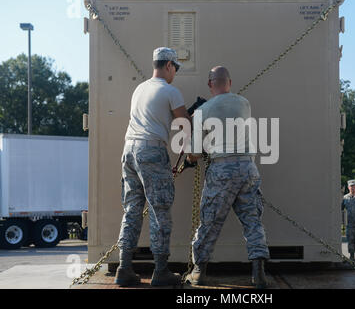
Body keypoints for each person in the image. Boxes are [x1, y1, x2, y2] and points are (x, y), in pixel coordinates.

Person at [184, 66, 270, 288]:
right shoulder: (244, 103)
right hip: (248, 167)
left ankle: (199, 271)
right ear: (229, 83)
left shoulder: (203, 110)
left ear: (210, 84)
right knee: (253, 221)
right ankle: (258, 273)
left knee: (210, 221)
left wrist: (190, 156)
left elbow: (194, 153)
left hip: (222, 169)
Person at [115, 47, 191, 287]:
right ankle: (160, 271)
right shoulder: (170, 91)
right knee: (160, 211)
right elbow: (184, 124)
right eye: (176, 68)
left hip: (129, 150)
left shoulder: (140, 89)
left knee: (132, 210)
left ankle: (124, 268)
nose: (175, 73)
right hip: (151, 150)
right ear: (168, 65)